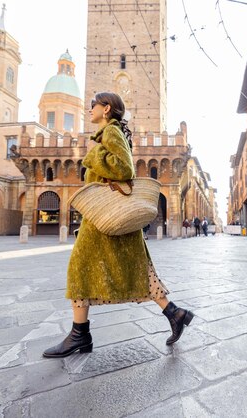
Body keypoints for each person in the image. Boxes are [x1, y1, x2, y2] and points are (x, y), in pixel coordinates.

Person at [43, 92, 194, 358]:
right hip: (108, 217)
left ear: (107, 108)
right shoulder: (108, 134)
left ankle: (80, 334)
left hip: (107, 218)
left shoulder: (111, 133)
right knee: (138, 269)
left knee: (79, 269)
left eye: (94, 105)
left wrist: (91, 159)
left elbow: (125, 170)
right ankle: (174, 313)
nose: (90, 109)